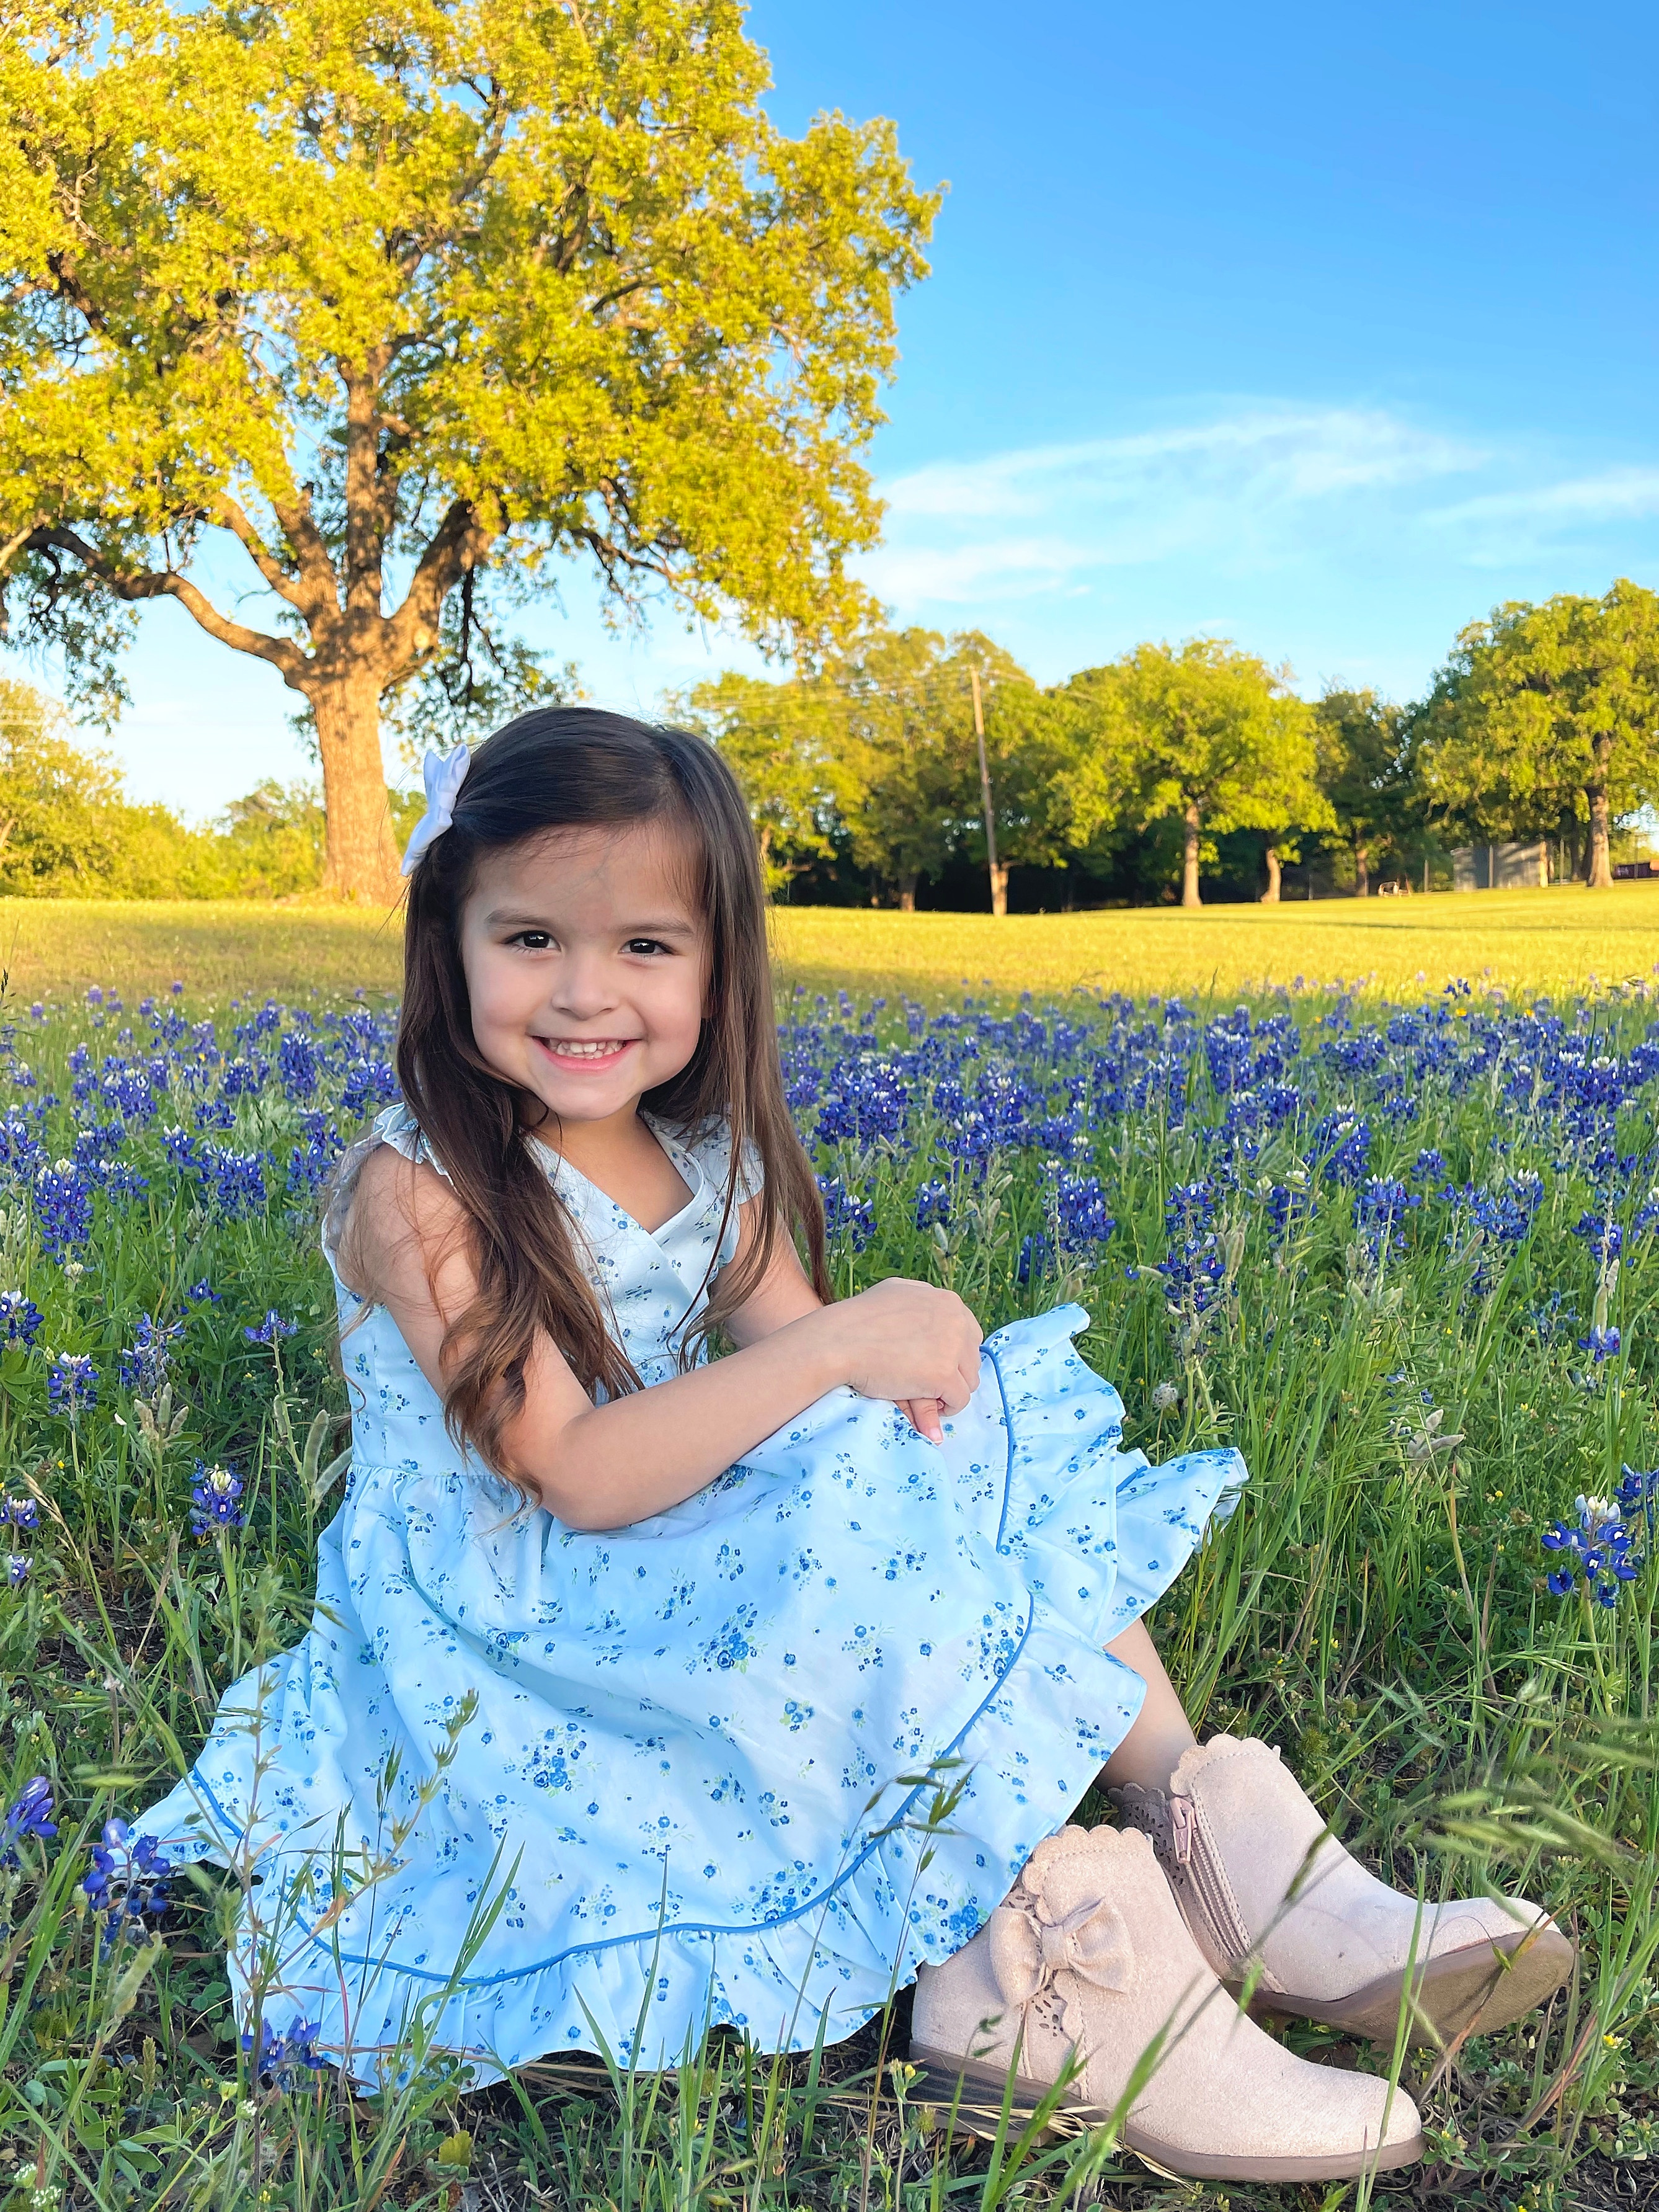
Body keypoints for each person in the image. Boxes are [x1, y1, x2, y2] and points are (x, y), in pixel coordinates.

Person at [131, 711, 1571, 2177]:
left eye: (644, 946)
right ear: (448, 944)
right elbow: (574, 1469)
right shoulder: (417, 1193)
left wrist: (896, 1365)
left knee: (951, 1433)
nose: (583, 993)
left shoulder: (709, 1164)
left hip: (666, 1543)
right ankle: (1018, 1977)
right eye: (527, 941)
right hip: (516, 1609)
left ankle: (1228, 1848)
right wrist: (837, 1345)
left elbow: (862, 1423)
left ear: (716, 961)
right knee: (853, 1464)